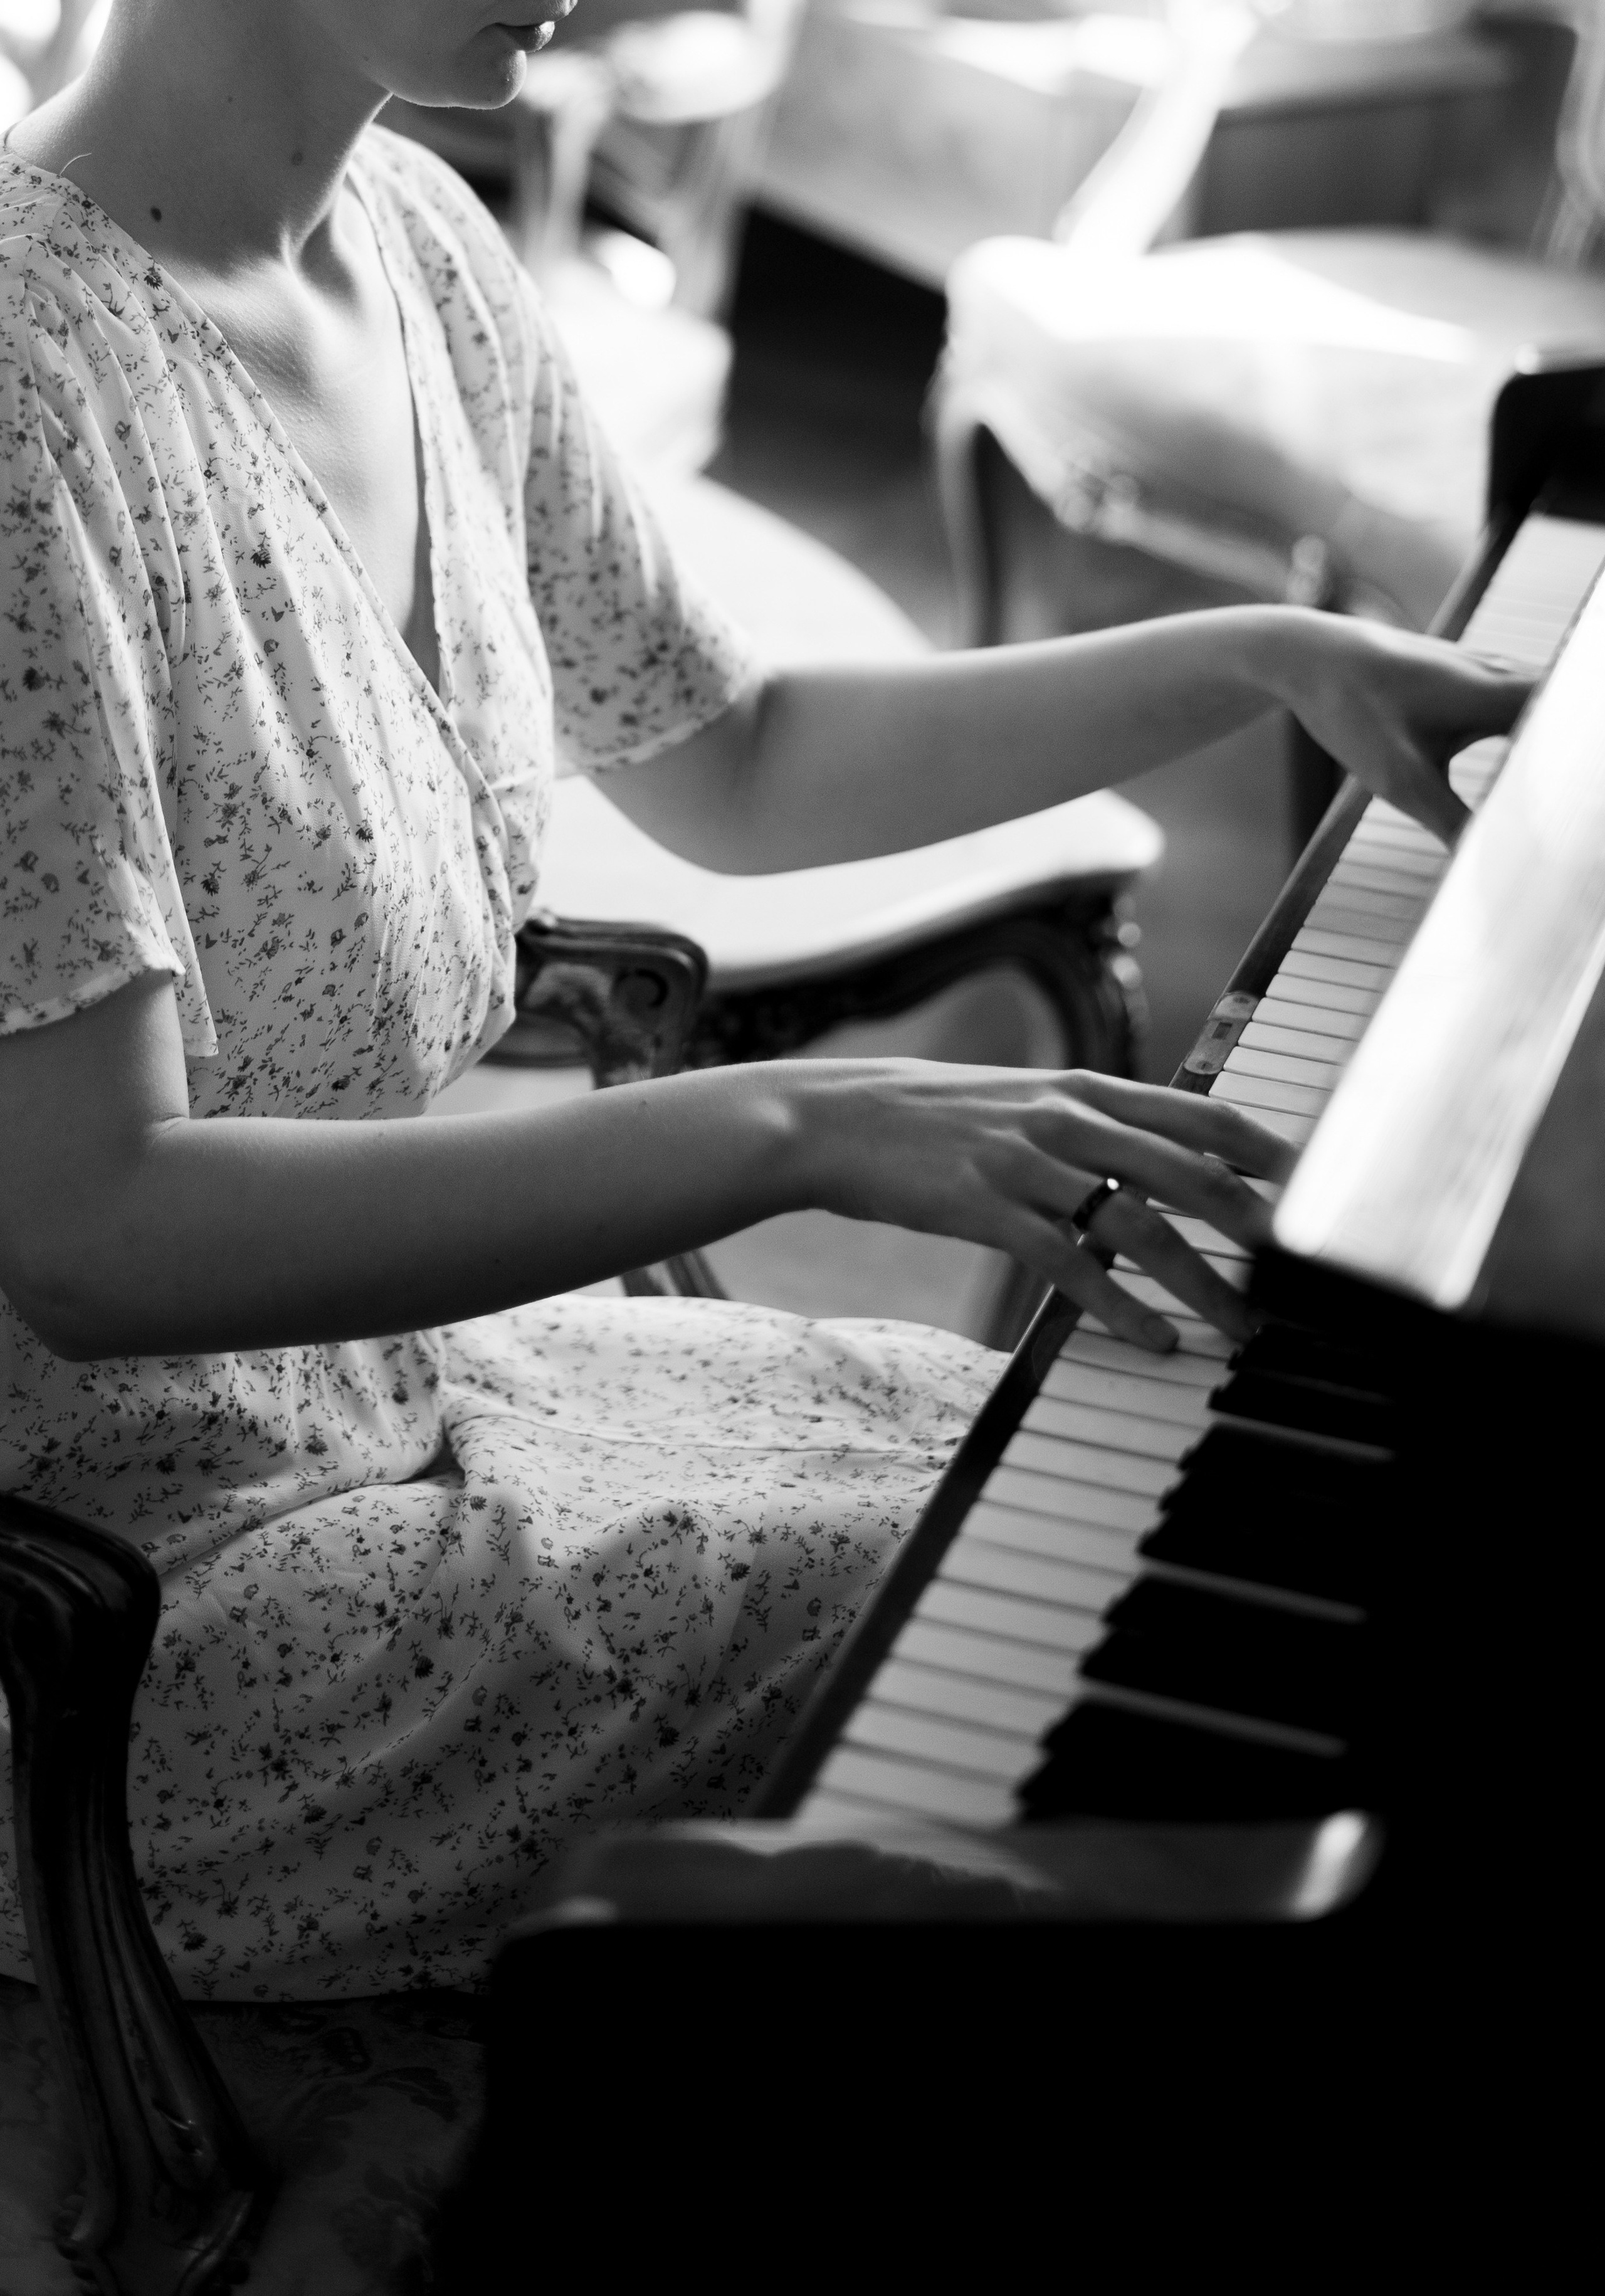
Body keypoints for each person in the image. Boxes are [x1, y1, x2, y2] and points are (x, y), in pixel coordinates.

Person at [0, 0, 1529, 1999]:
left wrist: (1260, 657)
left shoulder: (411, 237)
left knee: (1169, 1483)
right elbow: (93, 1239)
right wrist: (797, 1127)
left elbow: (738, 755)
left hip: (403, 1400)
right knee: (1153, 1632)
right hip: (136, 1620)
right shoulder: (29, 395)